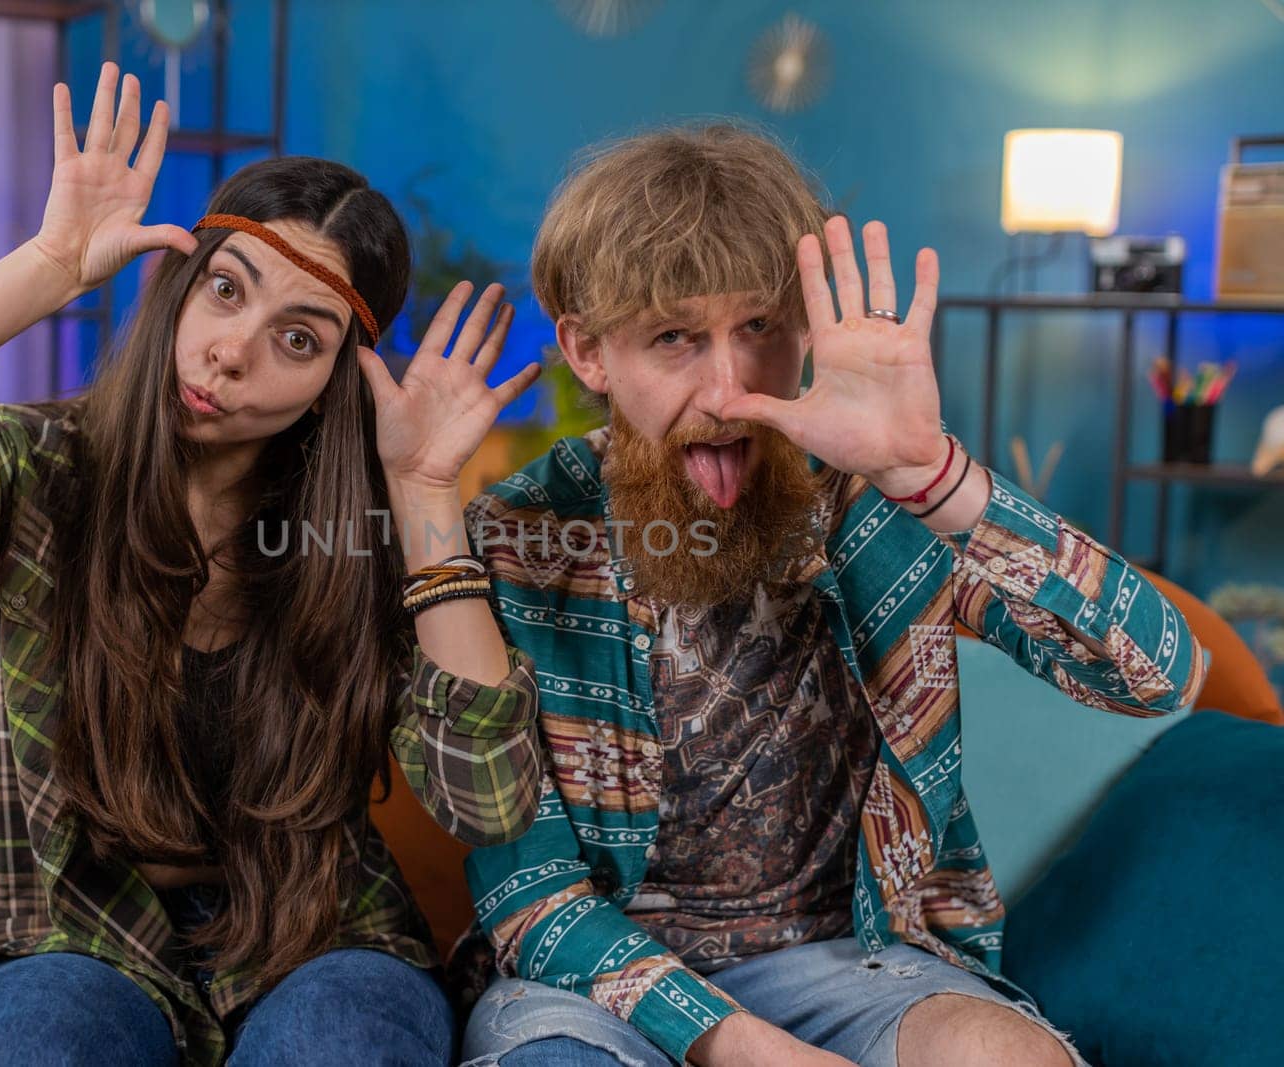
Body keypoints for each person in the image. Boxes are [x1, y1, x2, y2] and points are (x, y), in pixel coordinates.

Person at [0, 63, 544, 1066]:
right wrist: (46, 266)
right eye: (224, 292)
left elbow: (492, 800)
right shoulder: (34, 476)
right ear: (179, 282)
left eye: (296, 338)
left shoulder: (365, 542)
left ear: (332, 383)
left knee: (339, 1043)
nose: (230, 352)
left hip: (321, 945)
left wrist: (428, 495)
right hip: (80, 938)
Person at [452, 124, 1207, 1067]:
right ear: (590, 352)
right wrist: (751, 1050)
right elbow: (530, 898)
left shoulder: (879, 500)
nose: (728, 390)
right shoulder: (515, 541)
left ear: (803, 329)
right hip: (596, 987)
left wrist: (934, 474)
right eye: (675, 337)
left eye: (759, 327)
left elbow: (1157, 676)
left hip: (853, 960)